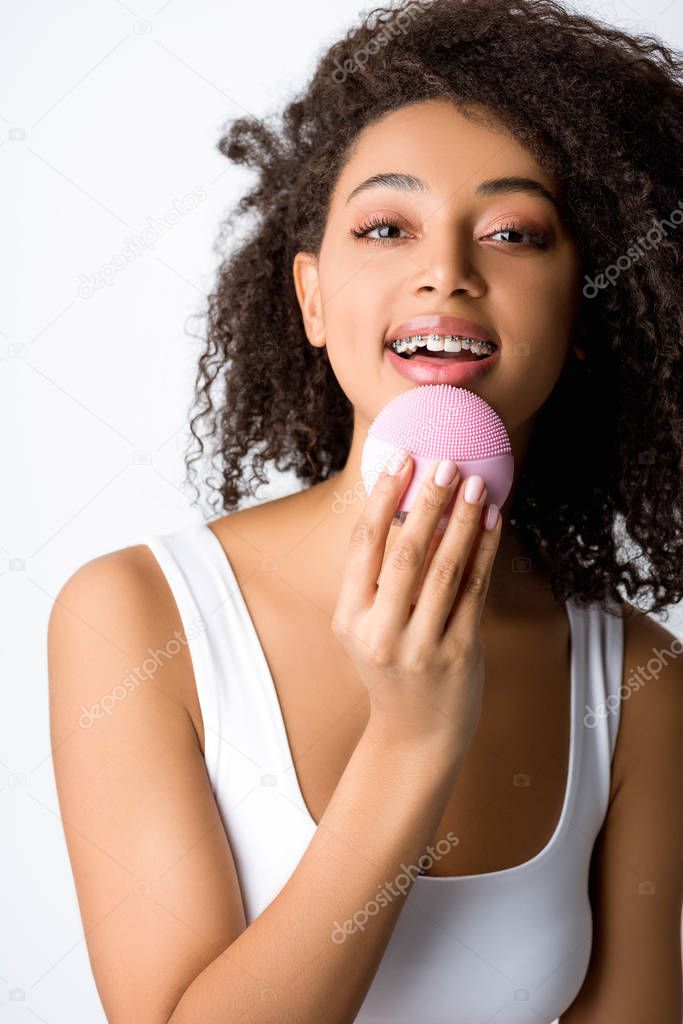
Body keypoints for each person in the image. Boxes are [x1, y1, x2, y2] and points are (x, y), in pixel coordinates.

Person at [48, 0, 683, 1021]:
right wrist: (414, 739)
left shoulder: (638, 683)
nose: (446, 272)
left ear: (580, 315)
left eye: (514, 233)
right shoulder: (137, 615)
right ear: (308, 297)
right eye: (385, 227)